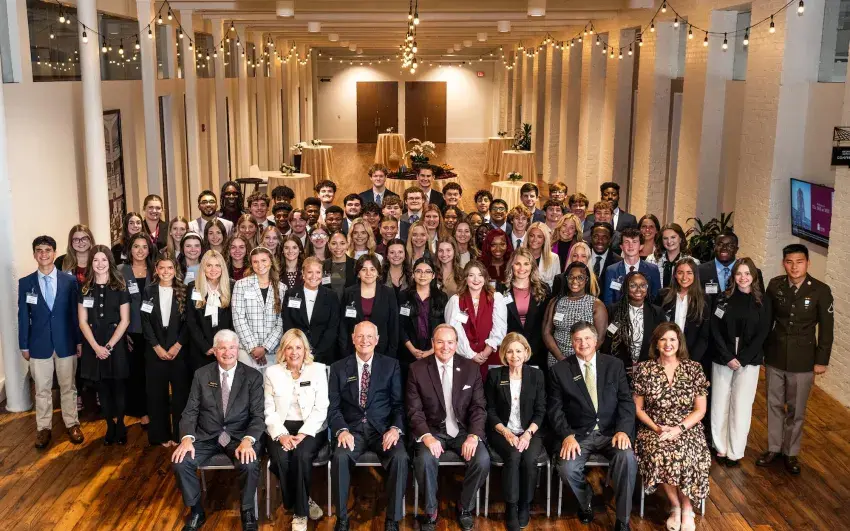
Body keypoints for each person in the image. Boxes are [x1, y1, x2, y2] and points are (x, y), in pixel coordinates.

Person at [171, 329, 264, 531]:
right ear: (214, 351)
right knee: (181, 462)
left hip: (239, 437)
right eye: (222, 348)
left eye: (232, 347)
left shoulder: (253, 377)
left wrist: (248, 440)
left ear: (237, 349)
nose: (227, 352)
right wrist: (186, 438)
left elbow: (258, 416)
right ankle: (196, 511)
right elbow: (190, 411)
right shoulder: (201, 375)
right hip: (207, 436)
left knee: (249, 463)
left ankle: (247, 511)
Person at [548, 321, 637, 530]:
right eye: (578, 339)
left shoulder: (614, 365)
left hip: (612, 433)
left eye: (587, 338)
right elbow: (555, 409)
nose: (583, 343)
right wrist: (567, 435)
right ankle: (585, 498)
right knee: (567, 469)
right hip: (578, 435)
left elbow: (626, 401)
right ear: (572, 343)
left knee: (627, 459)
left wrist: (623, 430)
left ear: (596, 340)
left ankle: (623, 520)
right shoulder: (560, 370)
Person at [757, 243, 834, 474]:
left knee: (796, 409)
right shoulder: (775, 285)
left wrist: (821, 360)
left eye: (799, 262)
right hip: (776, 355)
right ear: (784, 263)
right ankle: (773, 448)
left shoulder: (820, 290)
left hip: (803, 359)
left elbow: (827, 329)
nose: (794, 267)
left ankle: (790, 452)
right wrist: (762, 352)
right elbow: (767, 321)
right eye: (789, 262)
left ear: (808, 263)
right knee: (773, 404)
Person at [406, 324, 491, 531]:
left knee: (482, 460)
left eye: (450, 342)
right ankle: (431, 511)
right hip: (433, 430)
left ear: (456, 344)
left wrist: (473, 436)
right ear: (432, 343)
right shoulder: (417, 369)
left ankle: (464, 506)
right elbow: (414, 410)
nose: (445, 347)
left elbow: (479, 407)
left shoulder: (471, 368)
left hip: (463, 431)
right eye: (440, 342)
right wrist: (427, 436)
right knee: (424, 460)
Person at [328, 321, 408, 531]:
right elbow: (333, 407)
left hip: (383, 431)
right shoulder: (338, 368)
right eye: (360, 336)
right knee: (340, 457)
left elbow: (399, 406)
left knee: (400, 457)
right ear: (353, 339)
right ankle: (342, 518)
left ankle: (392, 519)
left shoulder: (391, 365)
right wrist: (342, 430)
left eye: (370, 336)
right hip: (352, 431)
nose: (365, 341)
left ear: (377, 340)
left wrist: (395, 429)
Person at [633, 322, 711, 531]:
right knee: (661, 453)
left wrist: (678, 429)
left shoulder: (694, 368)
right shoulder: (645, 369)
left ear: (679, 343)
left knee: (687, 454)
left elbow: (700, 410)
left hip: (687, 427)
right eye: (663, 339)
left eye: (672, 339)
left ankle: (687, 508)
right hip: (654, 427)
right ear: (656, 343)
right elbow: (638, 408)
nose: (668, 344)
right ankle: (675, 506)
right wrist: (657, 428)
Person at [18, 235, 85, 449]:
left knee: (68, 386)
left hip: (66, 342)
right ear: (34, 254)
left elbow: (75, 315)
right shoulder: (25, 283)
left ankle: (72, 424)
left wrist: (78, 341)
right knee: (42, 390)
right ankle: (44, 428)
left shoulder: (69, 281)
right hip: (38, 345)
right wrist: (24, 345)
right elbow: (23, 317)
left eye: (48, 250)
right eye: (39, 250)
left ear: (54, 253)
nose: (44, 254)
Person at [264, 329, 329, 531]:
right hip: (280, 426)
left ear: (305, 350)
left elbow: (321, 407)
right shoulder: (272, 372)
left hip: (312, 427)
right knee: (280, 459)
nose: (294, 352)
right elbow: (268, 409)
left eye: (299, 347)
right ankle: (304, 499)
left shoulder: (318, 370)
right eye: (289, 347)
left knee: (301, 456)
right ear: (283, 350)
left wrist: (303, 434)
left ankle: (300, 514)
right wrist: (282, 435)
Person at [710, 257, 772, 467]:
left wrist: (743, 359)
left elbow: (763, 332)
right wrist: (727, 356)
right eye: (739, 273)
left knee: (741, 406)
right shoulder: (723, 298)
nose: (743, 278)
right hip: (723, 358)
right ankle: (720, 447)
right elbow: (715, 328)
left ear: (753, 275)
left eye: (747, 273)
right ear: (733, 276)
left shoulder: (762, 301)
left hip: (749, 360)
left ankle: (735, 451)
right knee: (720, 403)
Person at [484, 333, 546, 530]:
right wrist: (506, 432)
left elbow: (541, 410)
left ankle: (525, 505)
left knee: (529, 459)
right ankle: (511, 507)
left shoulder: (537, 375)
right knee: (513, 455)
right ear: (504, 354)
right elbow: (489, 410)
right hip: (501, 431)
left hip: (531, 431)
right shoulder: (495, 375)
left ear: (526, 352)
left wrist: (527, 434)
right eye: (509, 351)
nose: (514, 356)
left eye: (518, 351)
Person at [78, 246, 131, 445]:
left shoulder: (120, 286)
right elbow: (82, 321)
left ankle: (121, 424)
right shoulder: (85, 288)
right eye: (95, 260)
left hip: (115, 343)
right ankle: (109, 425)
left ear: (110, 262)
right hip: (93, 343)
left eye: (104, 260)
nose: (100, 264)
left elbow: (125, 320)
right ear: (91, 263)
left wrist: (108, 347)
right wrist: (96, 347)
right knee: (102, 388)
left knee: (118, 387)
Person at [141, 255, 190, 447]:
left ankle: (180, 435)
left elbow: (189, 322)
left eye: (170, 268)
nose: (166, 271)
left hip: (179, 351)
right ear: (156, 270)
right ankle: (160, 435)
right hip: (155, 352)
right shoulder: (149, 291)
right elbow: (145, 321)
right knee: (156, 395)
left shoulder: (184, 290)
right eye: (162, 268)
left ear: (175, 270)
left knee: (180, 396)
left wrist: (178, 345)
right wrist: (157, 347)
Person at [445, 260, 508, 379]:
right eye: (471, 275)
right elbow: (454, 331)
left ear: (485, 278)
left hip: (490, 356)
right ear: (465, 278)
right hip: (464, 358)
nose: (476, 279)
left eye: (480, 275)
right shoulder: (455, 300)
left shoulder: (496, 298)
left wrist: (485, 353)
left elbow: (499, 328)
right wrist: (471, 355)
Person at [603, 271, 667, 377]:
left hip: (649, 370)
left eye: (643, 285)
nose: (638, 289)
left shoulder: (657, 312)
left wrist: (646, 367)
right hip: (619, 370)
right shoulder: (613, 310)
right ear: (626, 288)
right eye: (633, 286)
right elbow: (607, 341)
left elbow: (662, 342)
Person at [543, 262, 607, 366]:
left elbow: (600, 338)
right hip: (557, 360)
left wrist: (581, 358)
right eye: (571, 277)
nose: (575, 281)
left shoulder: (596, 304)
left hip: (585, 360)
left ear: (586, 280)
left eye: (580, 277)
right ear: (566, 278)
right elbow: (546, 333)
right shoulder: (555, 301)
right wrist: (561, 358)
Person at [232, 247, 285, 371]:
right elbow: (238, 318)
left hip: (273, 351)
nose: (260, 265)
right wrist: (253, 347)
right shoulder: (241, 285)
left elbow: (281, 322)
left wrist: (265, 348)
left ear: (271, 261)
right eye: (255, 261)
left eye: (263, 260)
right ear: (251, 264)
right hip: (247, 351)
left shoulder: (282, 288)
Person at [121, 233, 154, 428]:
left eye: (144, 246)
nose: (140, 250)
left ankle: (155, 409)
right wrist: (122, 333)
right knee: (136, 374)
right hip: (132, 331)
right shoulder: (121, 271)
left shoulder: (156, 269)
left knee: (152, 374)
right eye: (136, 246)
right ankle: (142, 412)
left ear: (149, 250)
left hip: (154, 332)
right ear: (130, 249)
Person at [282, 257, 341, 365]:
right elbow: (287, 323)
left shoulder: (331, 296)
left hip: (324, 355)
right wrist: (301, 349)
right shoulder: (291, 294)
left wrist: (316, 352)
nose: (314, 276)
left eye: (318, 272)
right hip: (296, 354)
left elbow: (332, 328)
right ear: (303, 273)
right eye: (310, 272)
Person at [339, 254, 399, 359]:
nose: (368, 273)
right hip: (353, 351)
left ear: (378, 272)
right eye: (364, 269)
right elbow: (343, 325)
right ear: (358, 273)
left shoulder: (388, 293)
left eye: (372, 269)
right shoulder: (349, 293)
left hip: (382, 351)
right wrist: (345, 351)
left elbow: (393, 325)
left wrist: (390, 354)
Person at [502, 248, 551, 369]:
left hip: (537, 351)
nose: (522, 268)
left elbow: (547, 323)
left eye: (526, 264)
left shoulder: (544, 289)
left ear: (532, 266)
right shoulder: (501, 289)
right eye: (517, 264)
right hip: (511, 352)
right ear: (511, 265)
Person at [186, 250, 234, 374]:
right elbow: (191, 321)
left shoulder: (232, 286)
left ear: (222, 268)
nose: (213, 269)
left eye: (217, 265)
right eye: (209, 265)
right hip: (200, 348)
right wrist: (205, 347)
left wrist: (225, 346)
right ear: (203, 267)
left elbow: (234, 320)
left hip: (226, 349)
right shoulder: (193, 287)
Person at [398, 257, 448, 376]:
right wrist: (411, 349)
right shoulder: (403, 296)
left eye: (427, 272)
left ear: (433, 275)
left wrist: (432, 350)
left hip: (435, 350)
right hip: (408, 351)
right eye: (418, 271)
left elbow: (444, 326)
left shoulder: (441, 297)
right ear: (413, 274)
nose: (422, 275)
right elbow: (400, 325)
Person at [658, 258, 710, 364]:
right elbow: (657, 328)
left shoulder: (704, 299)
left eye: (689, 273)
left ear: (695, 275)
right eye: (680, 272)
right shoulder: (663, 296)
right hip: (665, 354)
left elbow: (704, 335)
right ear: (675, 275)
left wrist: (691, 361)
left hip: (692, 357)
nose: (684, 277)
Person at [602, 227, 661, 306]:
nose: (630, 246)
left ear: (641, 246)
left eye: (634, 242)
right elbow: (608, 301)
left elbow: (656, 299)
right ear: (621, 247)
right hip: (618, 312)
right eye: (627, 242)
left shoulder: (652, 270)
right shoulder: (611, 270)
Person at [697, 231, 764, 298]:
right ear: (714, 247)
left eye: (730, 245)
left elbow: (760, 299)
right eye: (720, 245)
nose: (724, 248)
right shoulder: (700, 271)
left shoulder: (754, 273)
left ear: (736, 249)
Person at [646, 223, 698, 287]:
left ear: (681, 238)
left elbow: (696, 288)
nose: (669, 241)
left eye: (673, 237)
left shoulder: (693, 262)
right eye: (665, 238)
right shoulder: (651, 260)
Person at [525, 222, 560, 289]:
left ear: (544, 239)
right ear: (528, 237)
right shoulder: (519, 256)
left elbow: (557, 286)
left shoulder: (554, 258)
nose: (535, 239)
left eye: (539, 237)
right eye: (532, 236)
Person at [324, 232, 357, 300]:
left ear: (347, 244)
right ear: (328, 245)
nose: (338, 247)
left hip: (350, 304)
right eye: (334, 243)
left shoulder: (356, 265)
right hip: (328, 305)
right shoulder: (323, 265)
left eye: (342, 243)